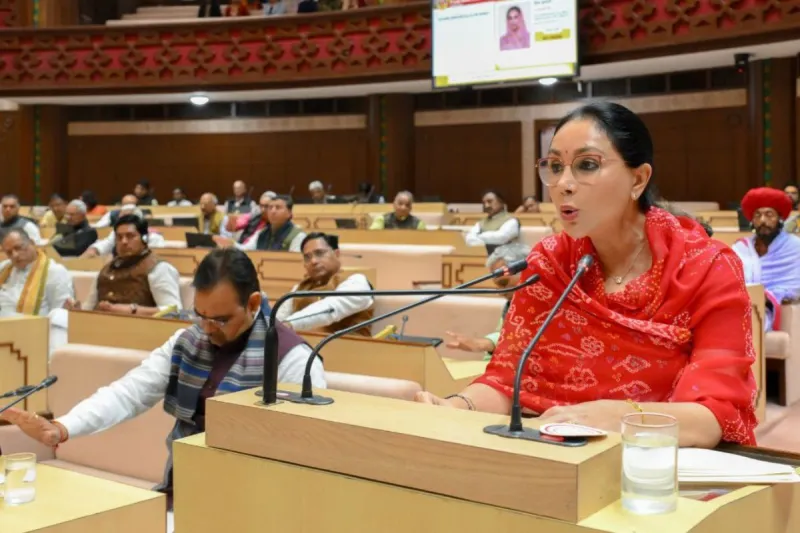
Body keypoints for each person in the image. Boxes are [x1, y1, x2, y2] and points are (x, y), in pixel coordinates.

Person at [415, 101, 757, 448]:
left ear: (638, 179)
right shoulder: (550, 263)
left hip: (659, 461)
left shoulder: (706, 267)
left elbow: (716, 415)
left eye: (587, 165)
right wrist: (457, 406)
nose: (563, 184)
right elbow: (505, 381)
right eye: (554, 167)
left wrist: (622, 417)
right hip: (553, 453)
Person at [0, 248, 326, 520]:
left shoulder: (292, 359)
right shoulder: (188, 341)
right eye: (200, 315)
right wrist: (61, 428)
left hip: (256, 506)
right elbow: (130, 392)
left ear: (253, 304)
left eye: (220, 319)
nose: (207, 328)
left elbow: (306, 456)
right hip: (183, 492)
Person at [66, 215, 182, 316]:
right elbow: (89, 307)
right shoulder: (106, 269)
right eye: (119, 237)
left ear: (144, 239)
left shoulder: (158, 268)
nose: (124, 242)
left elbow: (174, 311)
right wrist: (77, 311)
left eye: (130, 236)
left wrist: (131, 310)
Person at [444, 243, 529, 361]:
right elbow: (503, 335)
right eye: (498, 285)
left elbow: (528, 340)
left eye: (504, 283)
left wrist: (483, 344)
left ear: (526, 273)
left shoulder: (550, 301)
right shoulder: (511, 305)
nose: (501, 292)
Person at [277, 233, 373, 335]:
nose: (313, 261)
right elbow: (279, 319)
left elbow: (330, 309)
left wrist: (290, 323)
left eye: (319, 253)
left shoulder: (357, 282)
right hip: (304, 344)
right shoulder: (299, 288)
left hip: (348, 344)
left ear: (336, 254)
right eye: (307, 257)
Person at [732, 187, 800, 331]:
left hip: (771, 309)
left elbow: (795, 286)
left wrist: (767, 296)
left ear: (780, 219)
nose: (763, 220)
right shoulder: (740, 248)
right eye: (757, 215)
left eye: (769, 215)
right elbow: (729, 281)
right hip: (739, 305)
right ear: (752, 220)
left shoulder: (794, 247)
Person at [0, 229, 73, 317]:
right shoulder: (4, 268)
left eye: (18, 248)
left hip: (31, 324)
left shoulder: (55, 272)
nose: (15, 255)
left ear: (32, 243)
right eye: (9, 252)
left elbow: (61, 315)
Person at [226, 196, 306, 252]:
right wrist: (231, 244)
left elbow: (295, 263)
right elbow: (246, 250)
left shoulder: (298, 236)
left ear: (289, 213)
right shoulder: (261, 233)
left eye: (278, 207)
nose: (273, 211)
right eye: (270, 208)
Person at [82, 205, 166, 257]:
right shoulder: (116, 233)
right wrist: (94, 249)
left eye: (130, 236)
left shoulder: (154, 237)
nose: (124, 241)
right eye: (120, 219)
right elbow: (105, 244)